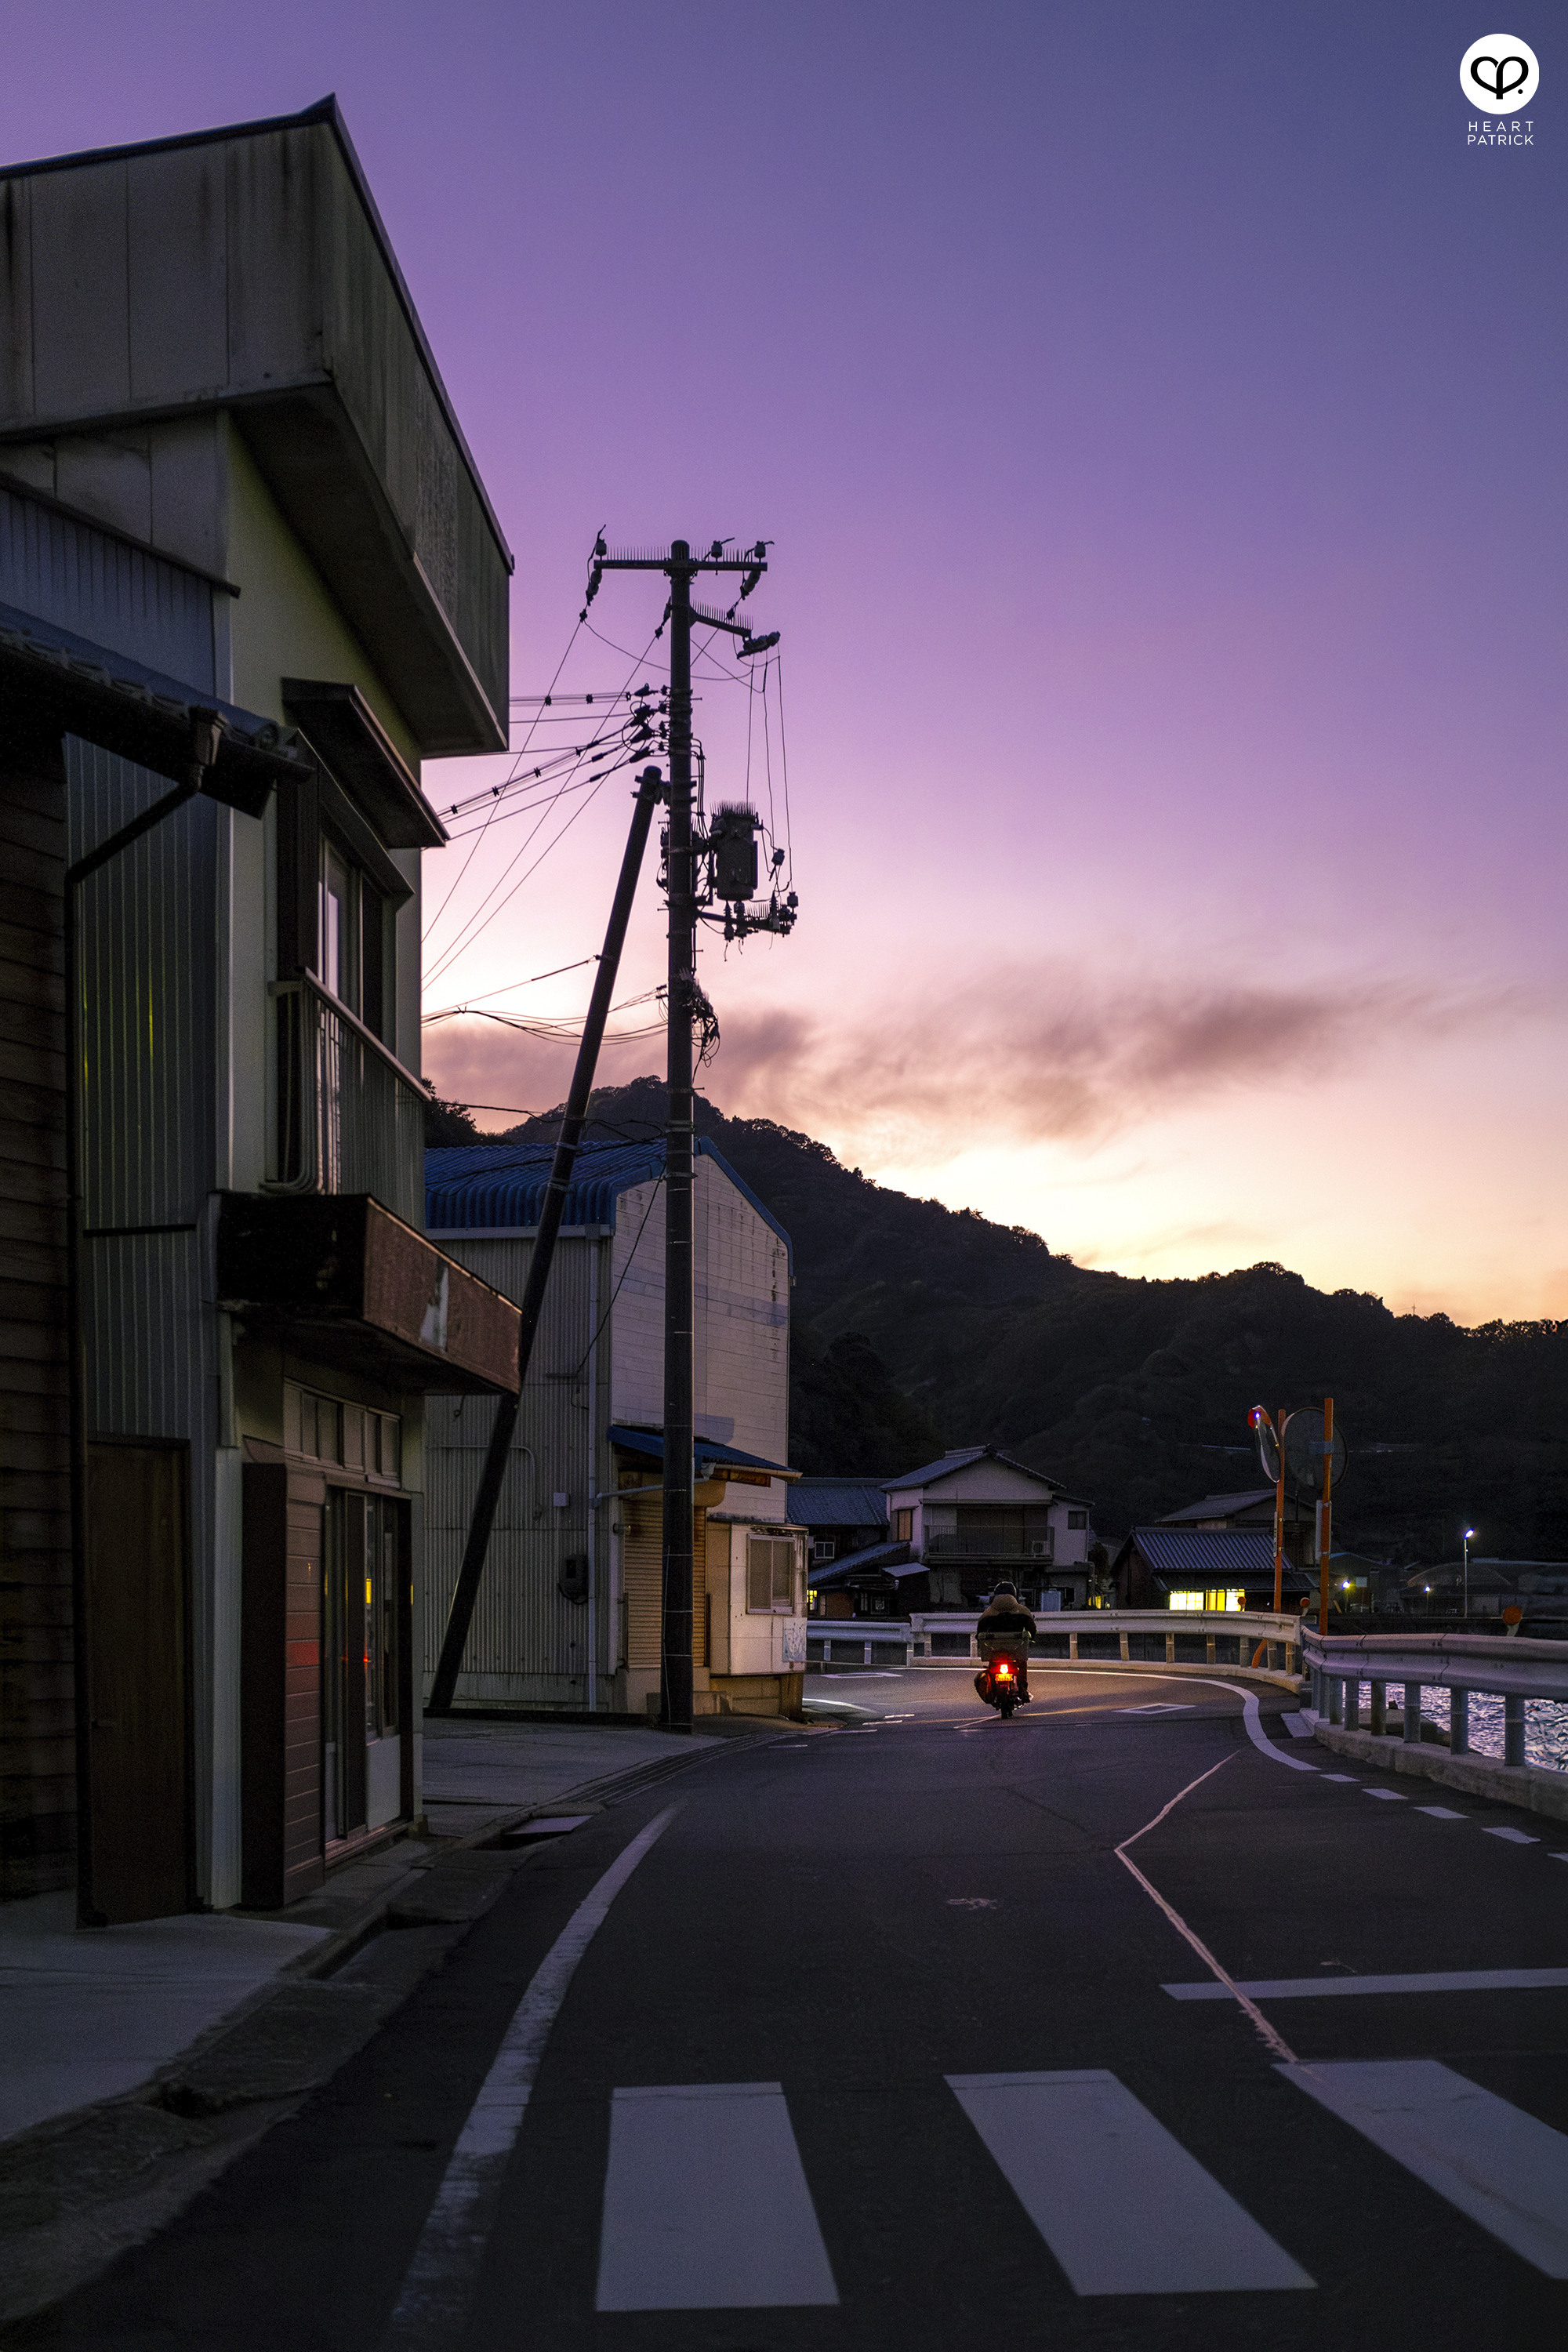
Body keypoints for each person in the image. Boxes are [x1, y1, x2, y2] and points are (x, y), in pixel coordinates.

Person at [974, 1581, 1037, 1704]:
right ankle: (1023, 1689)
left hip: (994, 1649)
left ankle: (993, 1691)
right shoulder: (1022, 1611)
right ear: (1014, 1595)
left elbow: (980, 1630)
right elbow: (1031, 1627)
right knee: (1021, 1663)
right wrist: (1032, 1637)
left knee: (992, 1665)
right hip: (1016, 1648)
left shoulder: (988, 1612)